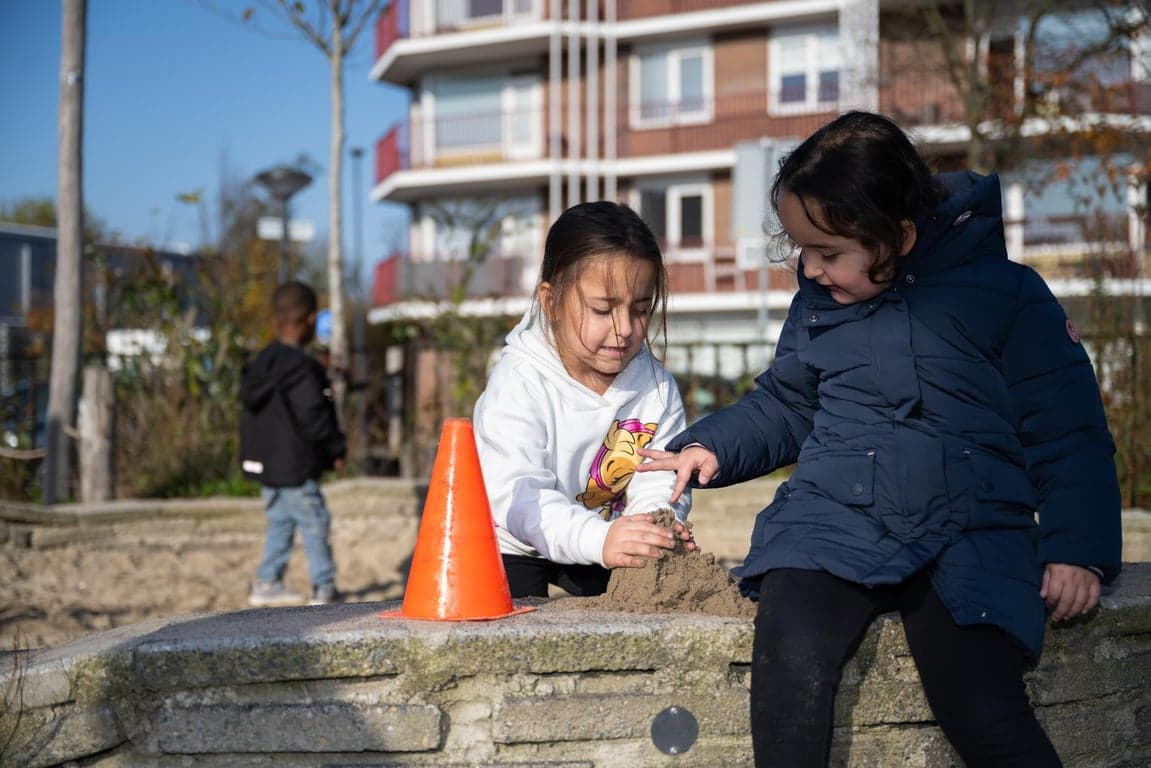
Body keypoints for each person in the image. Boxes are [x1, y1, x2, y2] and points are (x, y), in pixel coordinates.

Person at [637, 111, 1123, 767]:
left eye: (828, 253)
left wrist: (1076, 550)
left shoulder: (1005, 295)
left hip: (968, 528)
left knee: (983, 709)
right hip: (833, 519)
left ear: (896, 235)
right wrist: (714, 444)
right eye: (801, 249)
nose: (809, 270)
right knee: (788, 674)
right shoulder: (818, 303)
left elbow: (1066, 432)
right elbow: (787, 403)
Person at [472, 200, 695, 599]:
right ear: (550, 300)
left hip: (601, 536)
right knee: (509, 631)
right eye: (602, 309)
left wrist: (653, 529)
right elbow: (520, 498)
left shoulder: (656, 388)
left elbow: (660, 475)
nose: (624, 329)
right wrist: (599, 537)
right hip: (513, 538)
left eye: (641, 310)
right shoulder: (519, 381)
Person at [240, 281, 347, 607]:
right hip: (295, 465)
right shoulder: (302, 368)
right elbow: (313, 416)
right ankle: (324, 588)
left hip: (265, 464)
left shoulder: (260, 363)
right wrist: (335, 449)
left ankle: (268, 581)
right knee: (314, 521)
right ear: (311, 319)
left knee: (281, 521)